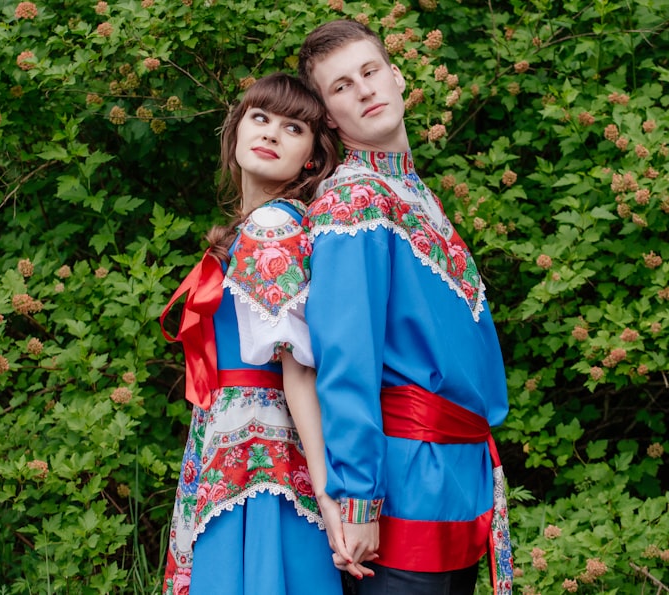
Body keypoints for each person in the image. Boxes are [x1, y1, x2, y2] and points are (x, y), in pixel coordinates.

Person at [297, 20, 514, 595]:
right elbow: (346, 359)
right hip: (400, 486)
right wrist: (358, 494)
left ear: (396, 77)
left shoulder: (415, 195)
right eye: (340, 86)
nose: (364, 90)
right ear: (326, 115)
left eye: (369, 72)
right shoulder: (353, 202)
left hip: (456, 480)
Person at [159, 72, 343, 595]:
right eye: (260, 118)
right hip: (238, 437)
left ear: (311, 156)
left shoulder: (272, 226)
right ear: (236, 128)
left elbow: (298, 368)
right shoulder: (259, 223)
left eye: (292, 128)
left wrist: (328, 494)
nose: (270, 133)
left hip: (260, 451)